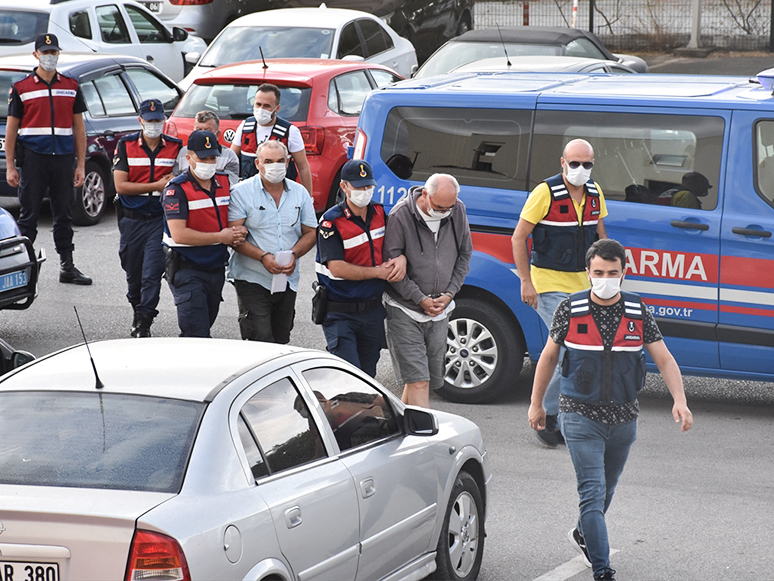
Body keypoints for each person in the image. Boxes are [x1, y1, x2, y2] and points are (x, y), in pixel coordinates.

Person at [528, 238, 693, 581]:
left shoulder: (637, 310)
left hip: (623, 418)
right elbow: (548, 357)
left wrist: (680, 400)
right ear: (587, 273)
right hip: (579, 414)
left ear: (624, 273)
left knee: (608, 488)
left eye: (613, 272)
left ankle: (582, 533)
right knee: (591, 491)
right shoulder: (570, 309)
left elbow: (663, 357)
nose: (605, 278)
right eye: (599, 272)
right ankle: (602, 570)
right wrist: (537, 404)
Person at [512, 138, 608, 447]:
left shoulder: (594, 194)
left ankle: (568, 412)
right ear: (562, 162)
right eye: (575, 163)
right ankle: (547, 413)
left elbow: (600, 238)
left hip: (584, 286)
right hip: (549, 285)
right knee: (569, 347)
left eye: (587, 164)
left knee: (583, 350)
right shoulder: (544, 193)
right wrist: (526, 282)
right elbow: (518, 238)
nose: (581, 169)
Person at [5, 33, 91, 285]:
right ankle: (17, 266)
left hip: (63, 159)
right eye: (45, 52)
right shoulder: (21, 88)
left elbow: (79, 129)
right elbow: (11, 130)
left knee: (64, 214)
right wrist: (10, 166)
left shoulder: (71, 86)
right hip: (33, 159)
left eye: (54, 52)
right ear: (36, 55)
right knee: (28, 216)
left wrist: (82, 165)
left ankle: (67, 266)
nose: (50, 57)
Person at [383, 173, 472, 408]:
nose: (445, 212)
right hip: (404, 308)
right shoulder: (400, 215)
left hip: (440, 309)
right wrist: (420, 298)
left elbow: (465, 255)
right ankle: (427, 439)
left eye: (449, 207)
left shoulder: (457, 210)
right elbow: (392, 268)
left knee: (421, 380)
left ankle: (401, 426)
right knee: (419, 381)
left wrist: (451, 292)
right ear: (425, 194)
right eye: (439, 207)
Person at [315, 159, 405, 377]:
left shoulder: (379, 213)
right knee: (349, 376)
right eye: (359, 187)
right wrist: (377, 272)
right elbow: (337, 268)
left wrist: (401, 258)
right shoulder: (331, 222)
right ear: (345, 187)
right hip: (340, 312)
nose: (365, 191)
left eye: (368, 186)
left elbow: (398, 244)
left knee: (368, 375)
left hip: (372, 311)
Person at [227, 140, 316, 344]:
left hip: (287, 280)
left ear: (287, 163)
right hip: (252, 278)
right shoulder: (241, 192)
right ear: (257, 163)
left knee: (281, 338)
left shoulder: (300, 192)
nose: (274, 166)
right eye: (268, 161)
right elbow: (234, 237)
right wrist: (263, 257)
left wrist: (293, 254)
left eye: (280, 161)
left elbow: (310, 232)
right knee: (259, 338)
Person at [162, 130, 246, 337]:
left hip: (216, 269)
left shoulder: (224, 183)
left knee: (204, 328)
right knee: (196, 335)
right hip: (187, 269)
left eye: (213, 157)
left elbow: (230, 218)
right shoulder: (176, 189)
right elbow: (179, 234)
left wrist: (239, 229)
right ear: (189, 158)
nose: (209, 162)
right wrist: (221, 237)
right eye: (203, 158)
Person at [112, 99, 183, 337]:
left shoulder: (175, 146)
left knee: (152, 272)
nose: (154, 124)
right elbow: (120, 186)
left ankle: (144, 320)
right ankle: (137, 307)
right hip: (131, 218)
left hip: (159, 219)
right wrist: (156, 185)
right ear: (140, 120)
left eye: (158, 120)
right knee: (132, 270)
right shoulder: (126, 144)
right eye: (149, 120)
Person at [230, 83, 313, 196]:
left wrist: (308, 198)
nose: (261, 109)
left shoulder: (290, 131)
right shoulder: (245, 127)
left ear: (277, 108)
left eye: (267, 106)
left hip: (281, 196)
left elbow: (303, 167)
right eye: (258, 104)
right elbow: (231, 161)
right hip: (249, 195)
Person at [176, 110, 240, 185]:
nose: (203, 135)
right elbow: (175, 178)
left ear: (217, 134)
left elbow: (229, 185)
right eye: (198, 130)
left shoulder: (229, 156)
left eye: (207, 131)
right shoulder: (183, 152)